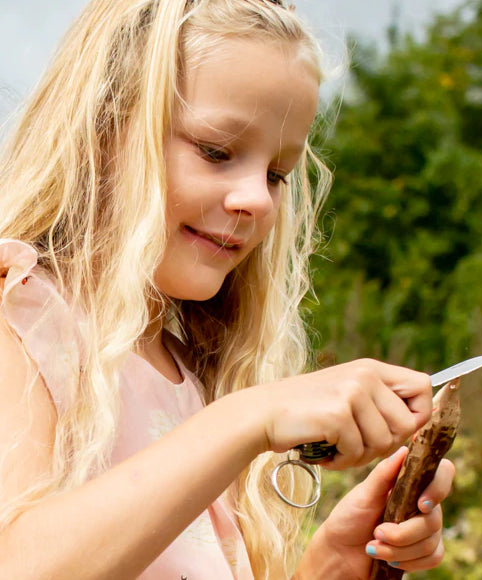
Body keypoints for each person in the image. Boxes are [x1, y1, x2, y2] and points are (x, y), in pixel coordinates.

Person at [0, 1, 455, 578]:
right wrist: (247, 419)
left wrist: (332, 566)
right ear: (104, 128)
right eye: (216, 152)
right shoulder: (21, 316)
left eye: (276, 174)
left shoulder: (193, 378)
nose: (258, 200)